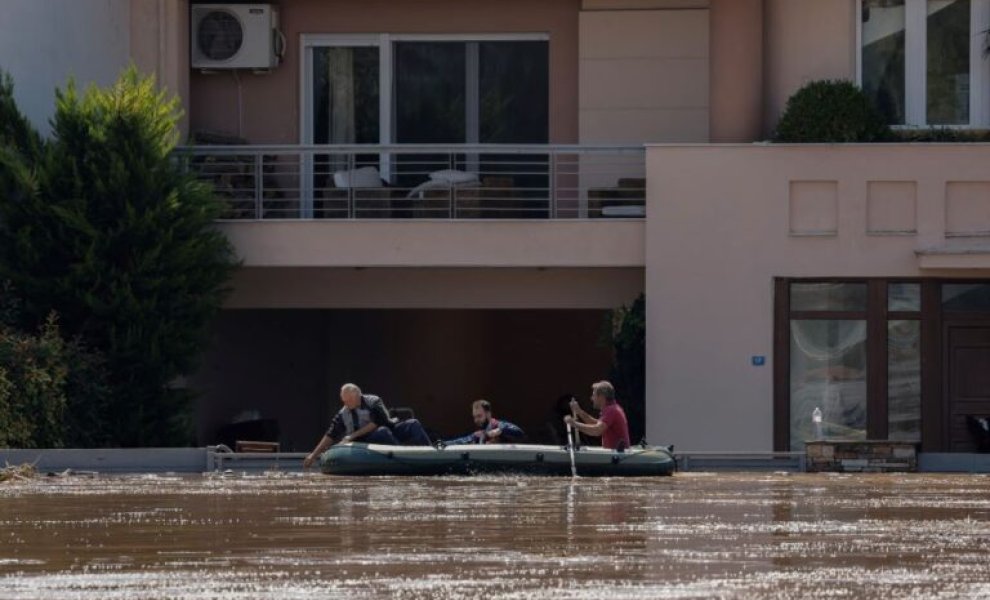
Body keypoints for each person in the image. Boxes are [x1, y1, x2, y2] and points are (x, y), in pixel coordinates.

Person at [303, 383, 431, 468]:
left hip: (387, 429)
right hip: (366, 441)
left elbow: (380, 420)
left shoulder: (373, 401)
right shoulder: (343, 414)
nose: (346, 404)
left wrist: (351, 435)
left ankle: (433, 455)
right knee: (383, 432)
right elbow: (330, 434)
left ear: (358, 396)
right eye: (344, 401)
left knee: (413, 424)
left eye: (349, 401)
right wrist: (313, 455)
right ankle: (405, 461)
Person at [564, 380, 631, 450]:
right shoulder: (612, 408)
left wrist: (574, 424)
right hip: (615, 455)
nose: (591, 398)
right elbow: (596, 423)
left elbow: (597, 430)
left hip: (619, 457)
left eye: (593, 395)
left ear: (601, 397)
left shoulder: (611, 410)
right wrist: (579, 411)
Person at [444, 399, 525, 445]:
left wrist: (500, 431)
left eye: (479, 416)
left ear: (488, 414)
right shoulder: (479, 434)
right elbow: (461, 441)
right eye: (474, 417)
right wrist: (442, 444)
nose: (476, 420)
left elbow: (520, 433)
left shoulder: (500, 425)